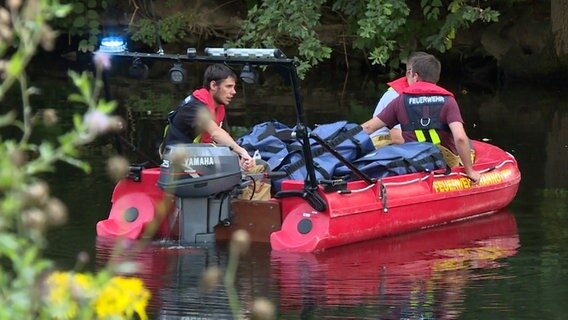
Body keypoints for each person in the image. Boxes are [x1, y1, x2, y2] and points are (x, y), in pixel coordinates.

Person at [361, 54, 480, 183]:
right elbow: (460, 138)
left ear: (415, 76)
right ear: (437, 77)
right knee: (469, 145)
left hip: (414, 158)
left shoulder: (401, 99)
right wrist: (469, 171)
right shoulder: (448, 101)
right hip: (443, 161)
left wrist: (341, 140)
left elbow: (369, 127)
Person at [161, 63, 254, 170]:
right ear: (213, 85)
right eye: (228, 86)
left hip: (197, 159)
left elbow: (225, 141)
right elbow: (216, 133)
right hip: (176, 162)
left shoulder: (219, 107)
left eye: (234, 87)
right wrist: (241, 152)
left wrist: (240, 161)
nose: (233, 92)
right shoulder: (194, 106)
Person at [370, 51, 429, 148]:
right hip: (382, 147)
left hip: (408, 147)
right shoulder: (395, 96)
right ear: (410, 74)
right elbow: (396, 137)